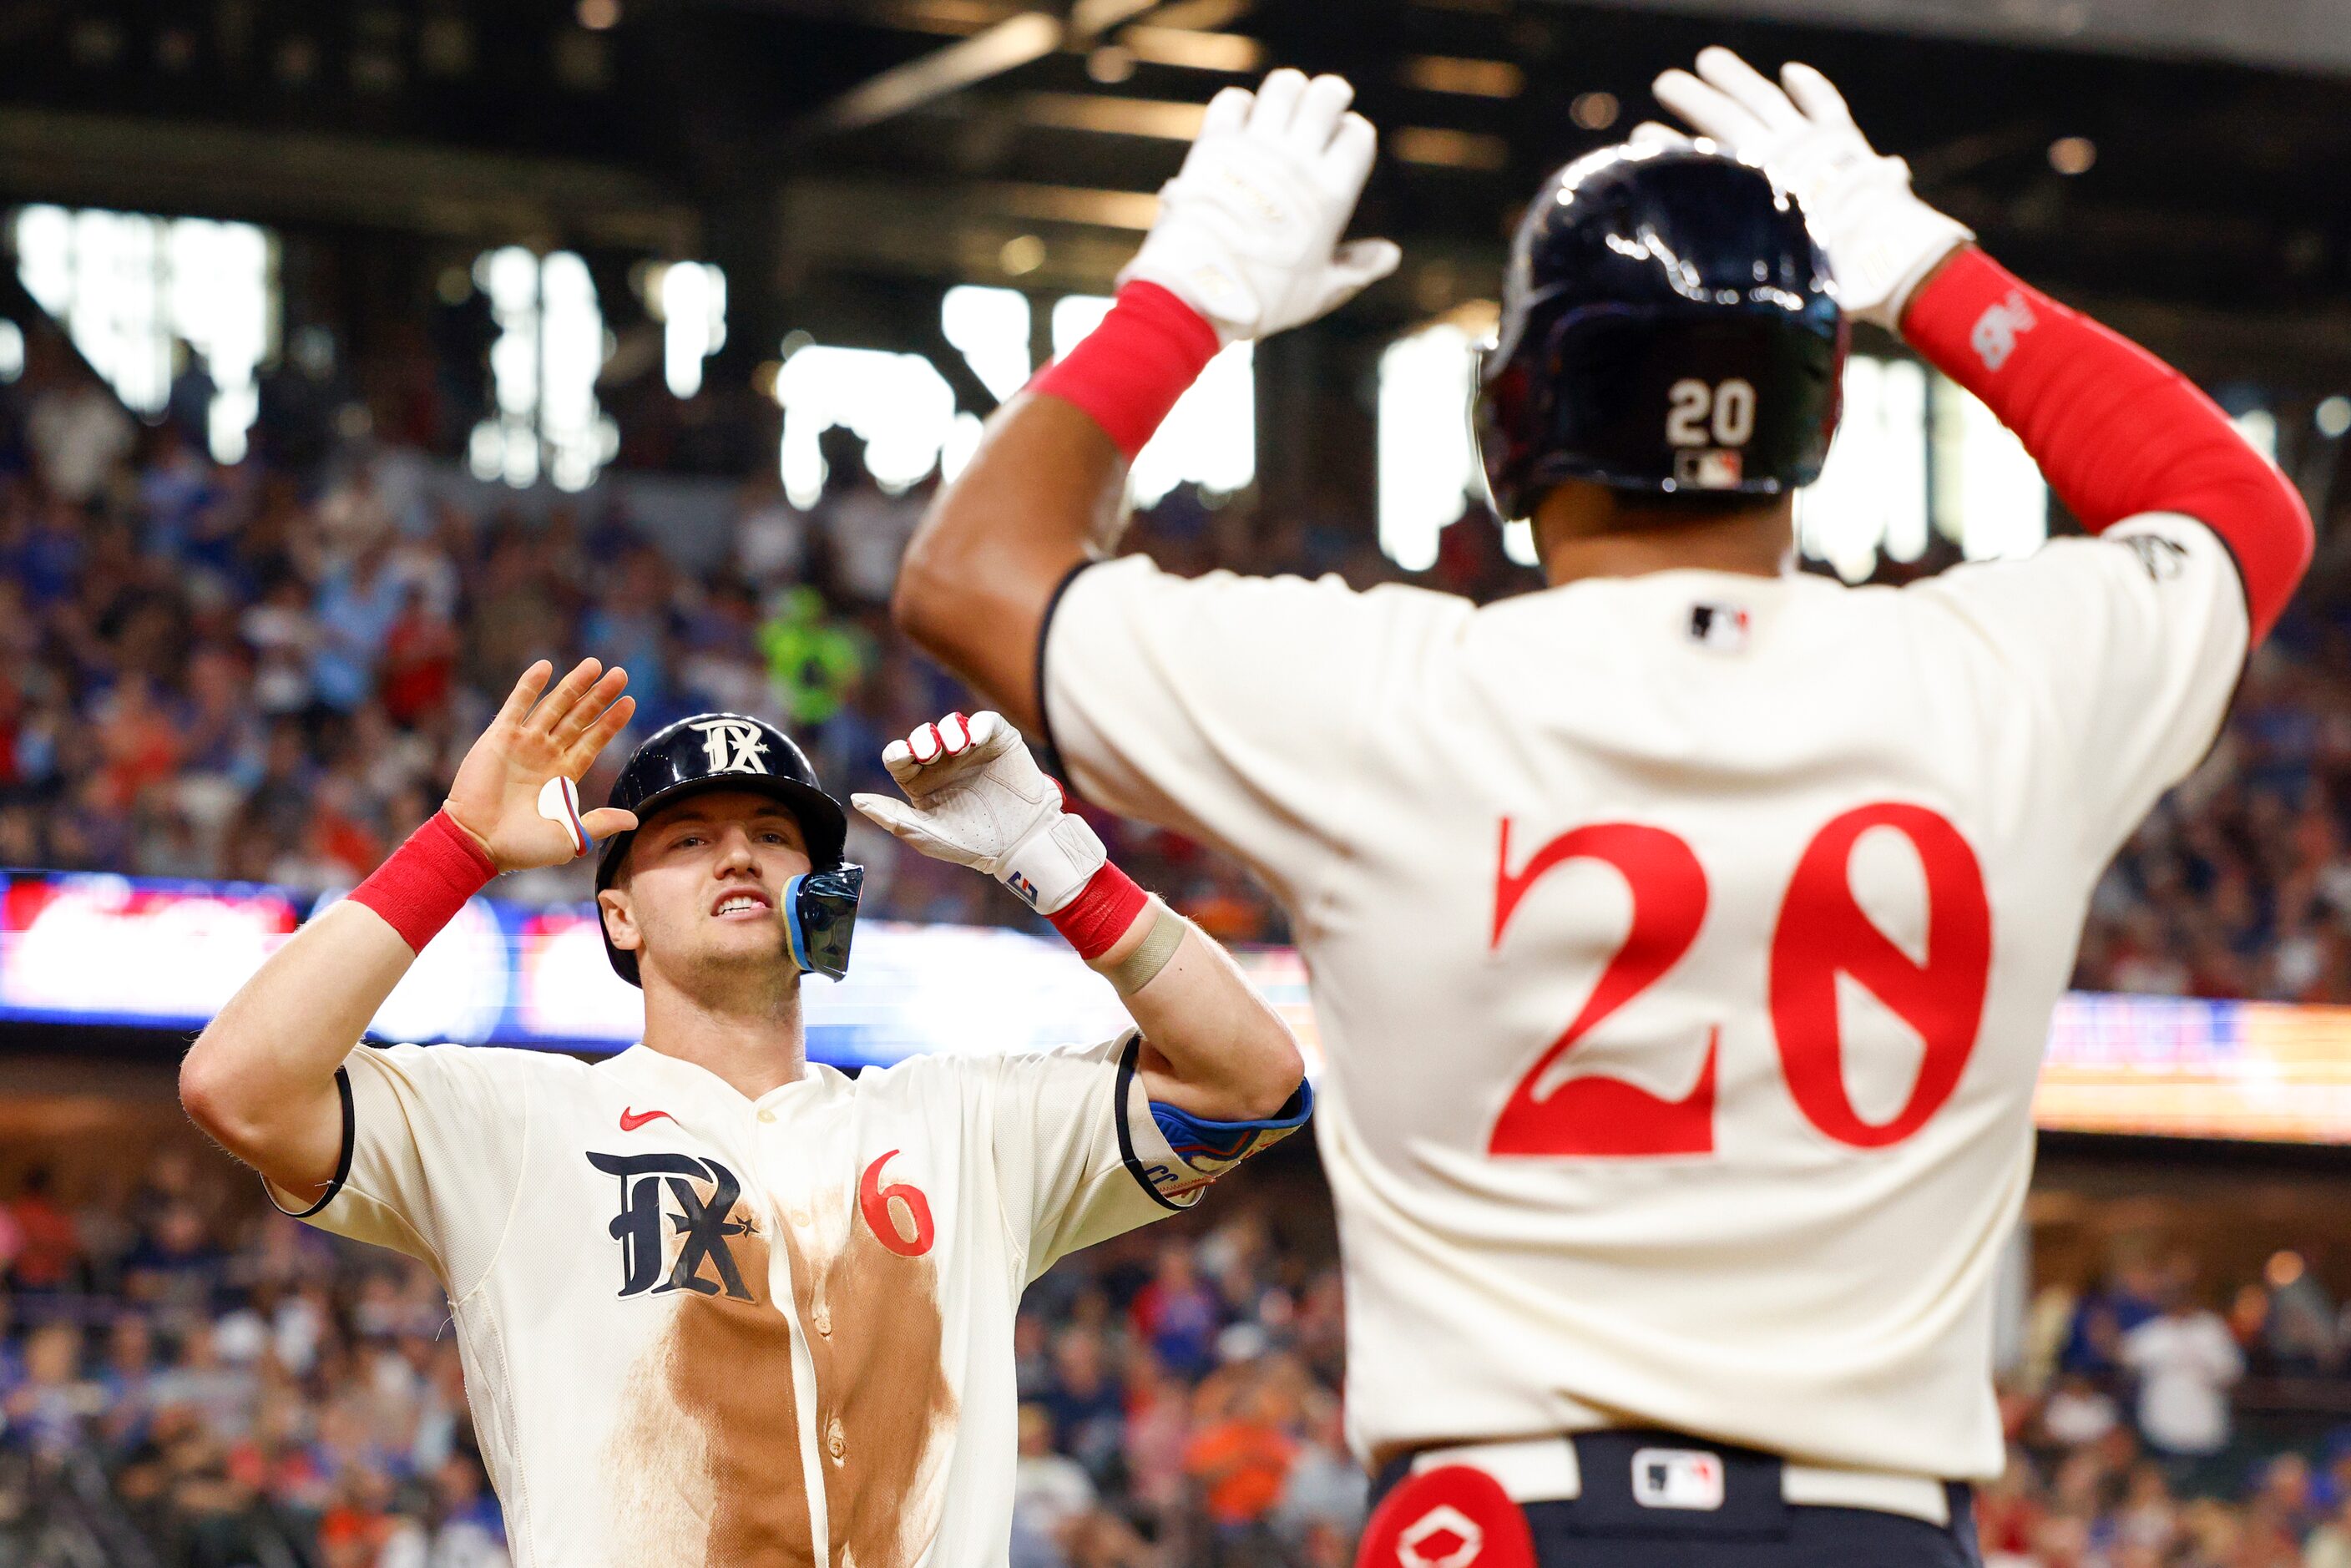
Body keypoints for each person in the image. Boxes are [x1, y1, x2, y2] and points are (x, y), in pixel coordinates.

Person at [892, 54, 2313, 1568]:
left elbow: (970, 572)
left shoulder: (1383, 690)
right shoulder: (2002, 678)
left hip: (1497, 1519)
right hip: (1876, 1529)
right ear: (1816, 418)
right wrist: (1929, 271)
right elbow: (2237, 513)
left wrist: (1190, 293)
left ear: (1512, 423)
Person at [179, 657, 1307, 1566]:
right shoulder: (517, 1119)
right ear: (617, 914)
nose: (737, 854)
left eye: (775, 836)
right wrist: (459, 848)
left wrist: (1058, 864)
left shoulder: (964, 1125)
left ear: (823, 899)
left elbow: (1248, 1082)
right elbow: (238, 1085)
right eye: (687, 836)